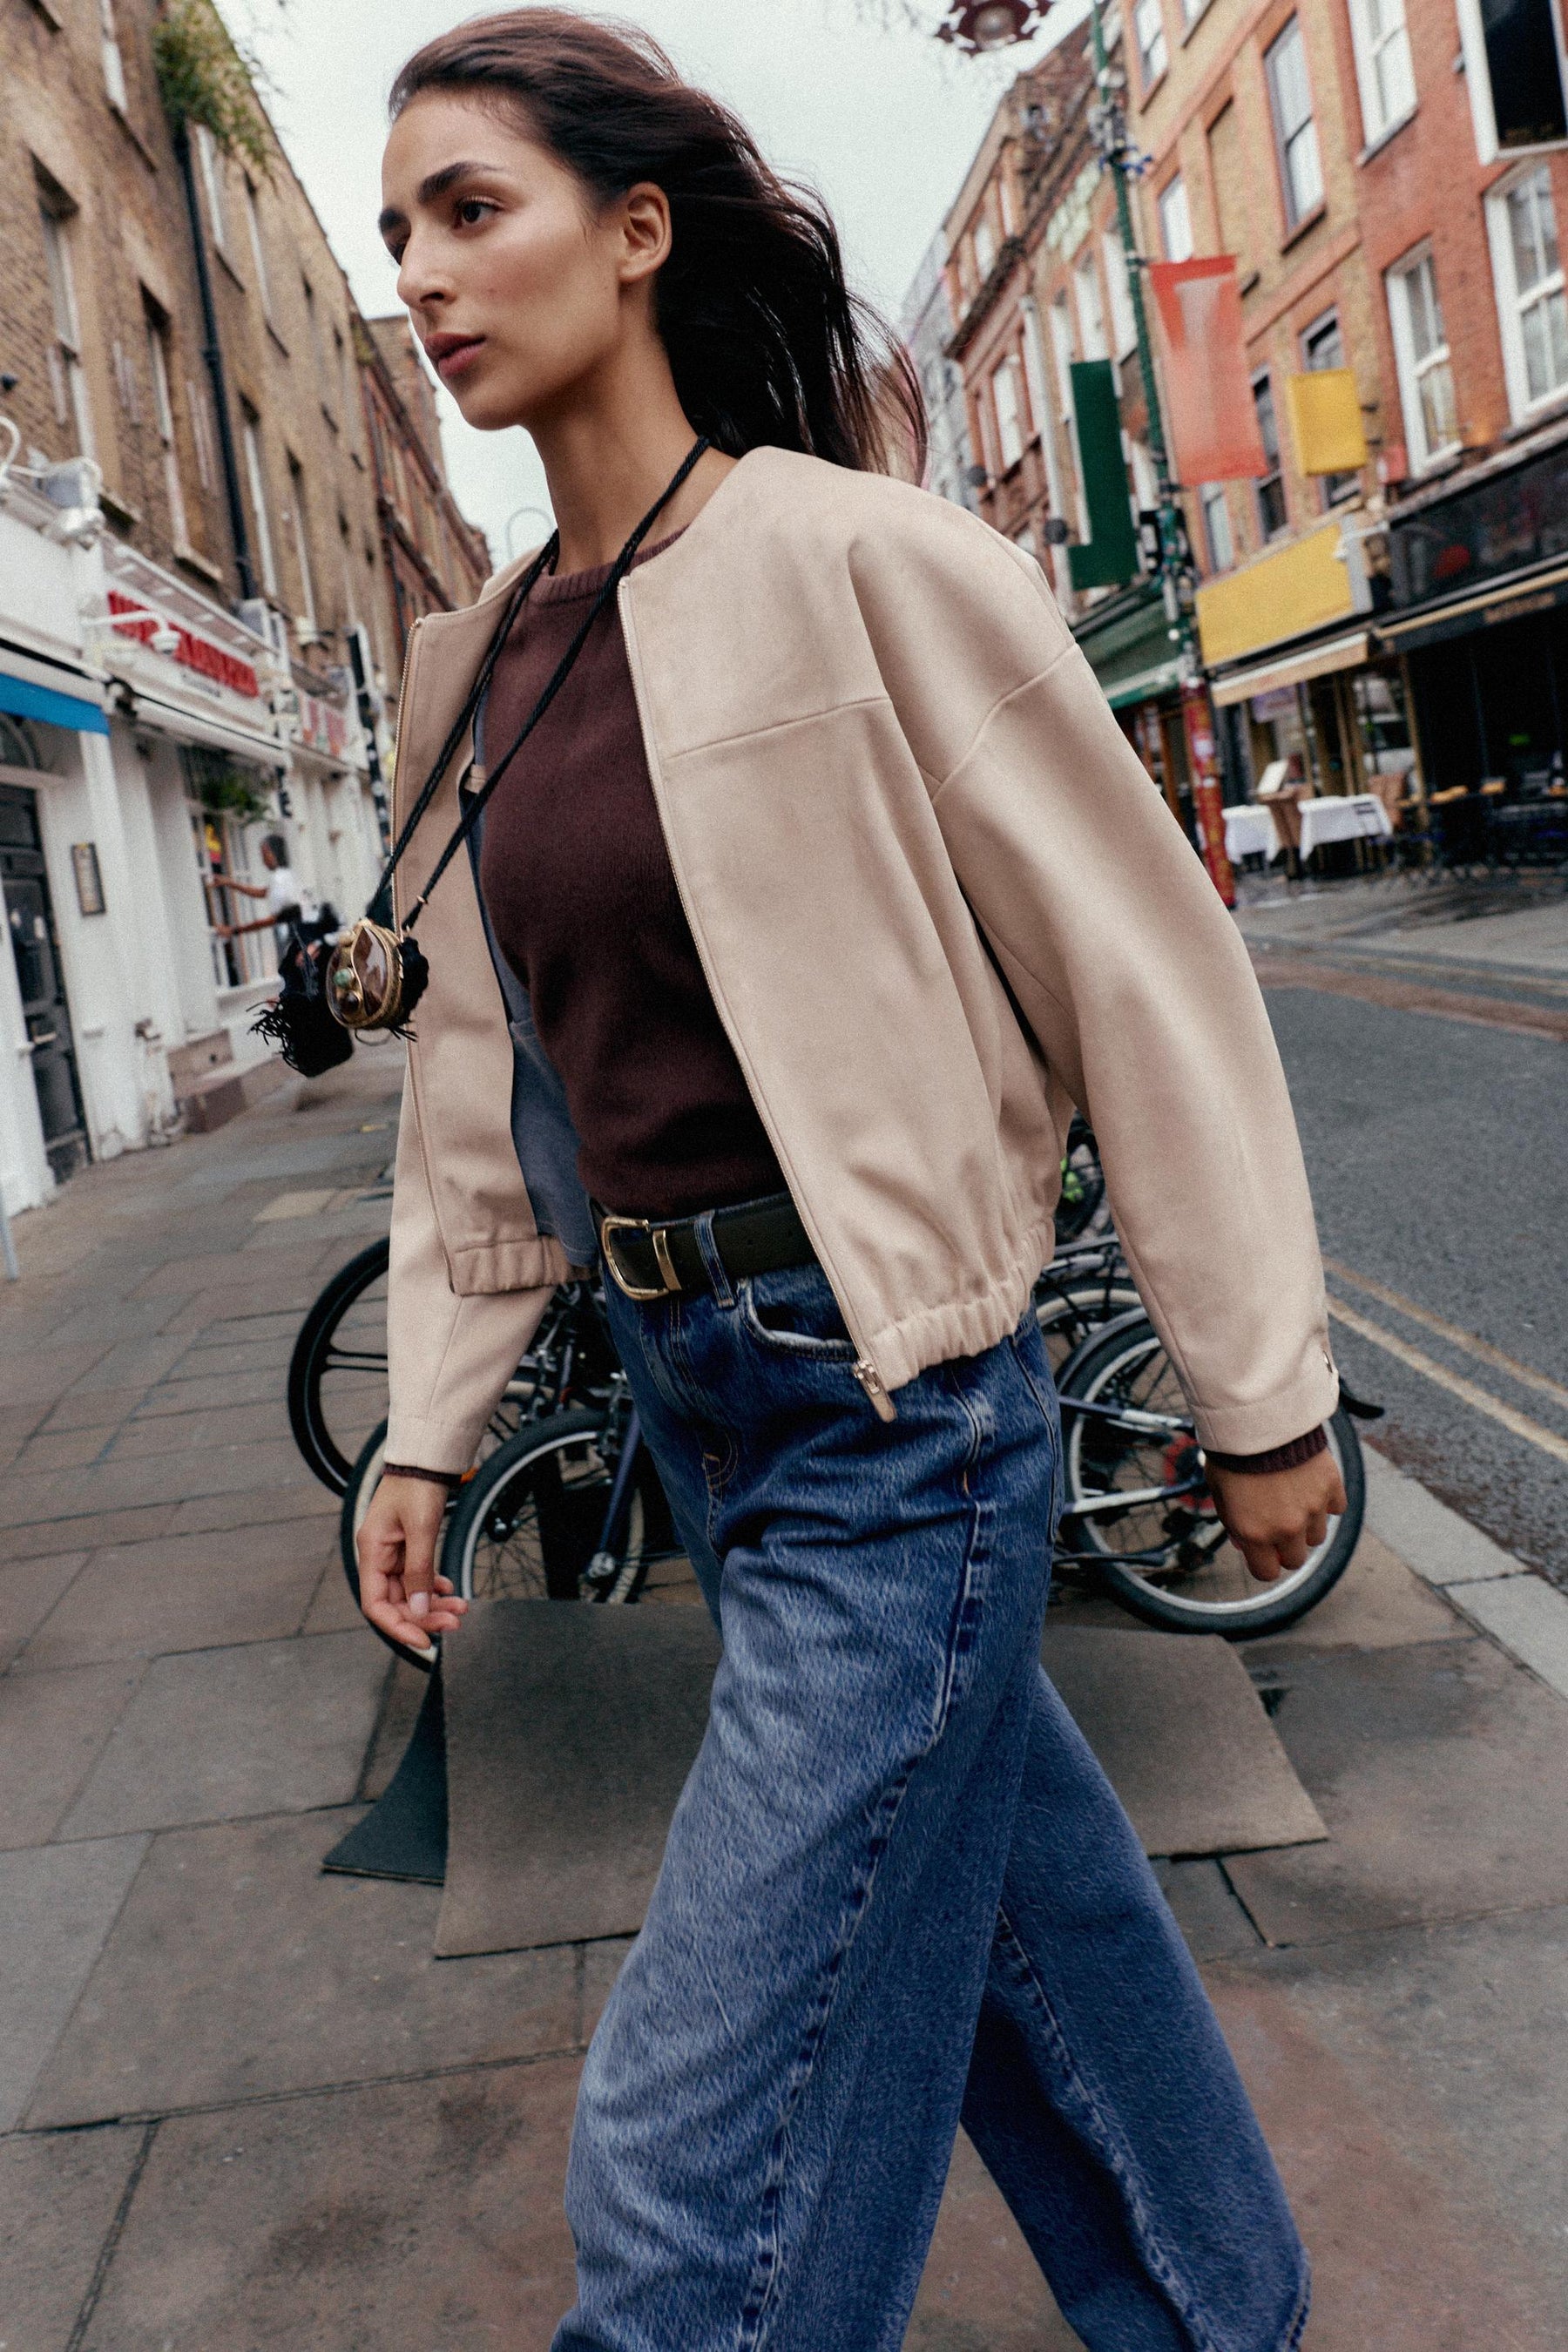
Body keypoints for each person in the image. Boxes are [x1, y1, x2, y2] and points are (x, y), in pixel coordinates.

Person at [359, 15, 1342, 2349]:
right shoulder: (467, 667)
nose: (423, 274)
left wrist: (1257, 1383)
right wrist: (431, 1410)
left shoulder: (873, 562)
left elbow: (1146, 972)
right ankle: (1232, 2312)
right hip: (703, 1409)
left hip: (910, 1420)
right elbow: (479, 1075)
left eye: (470, 210)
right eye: (396, 231)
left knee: (700, 2171)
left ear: (636, 229)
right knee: (1032, 1935)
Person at [207, 832, 323, 954]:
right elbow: (262, 893)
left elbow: (271, 920)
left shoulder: (279, 878)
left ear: (274, 853)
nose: (263, 861)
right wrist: (229, 883)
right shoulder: (286, 875)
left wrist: (234, 930)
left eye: (264, 854)